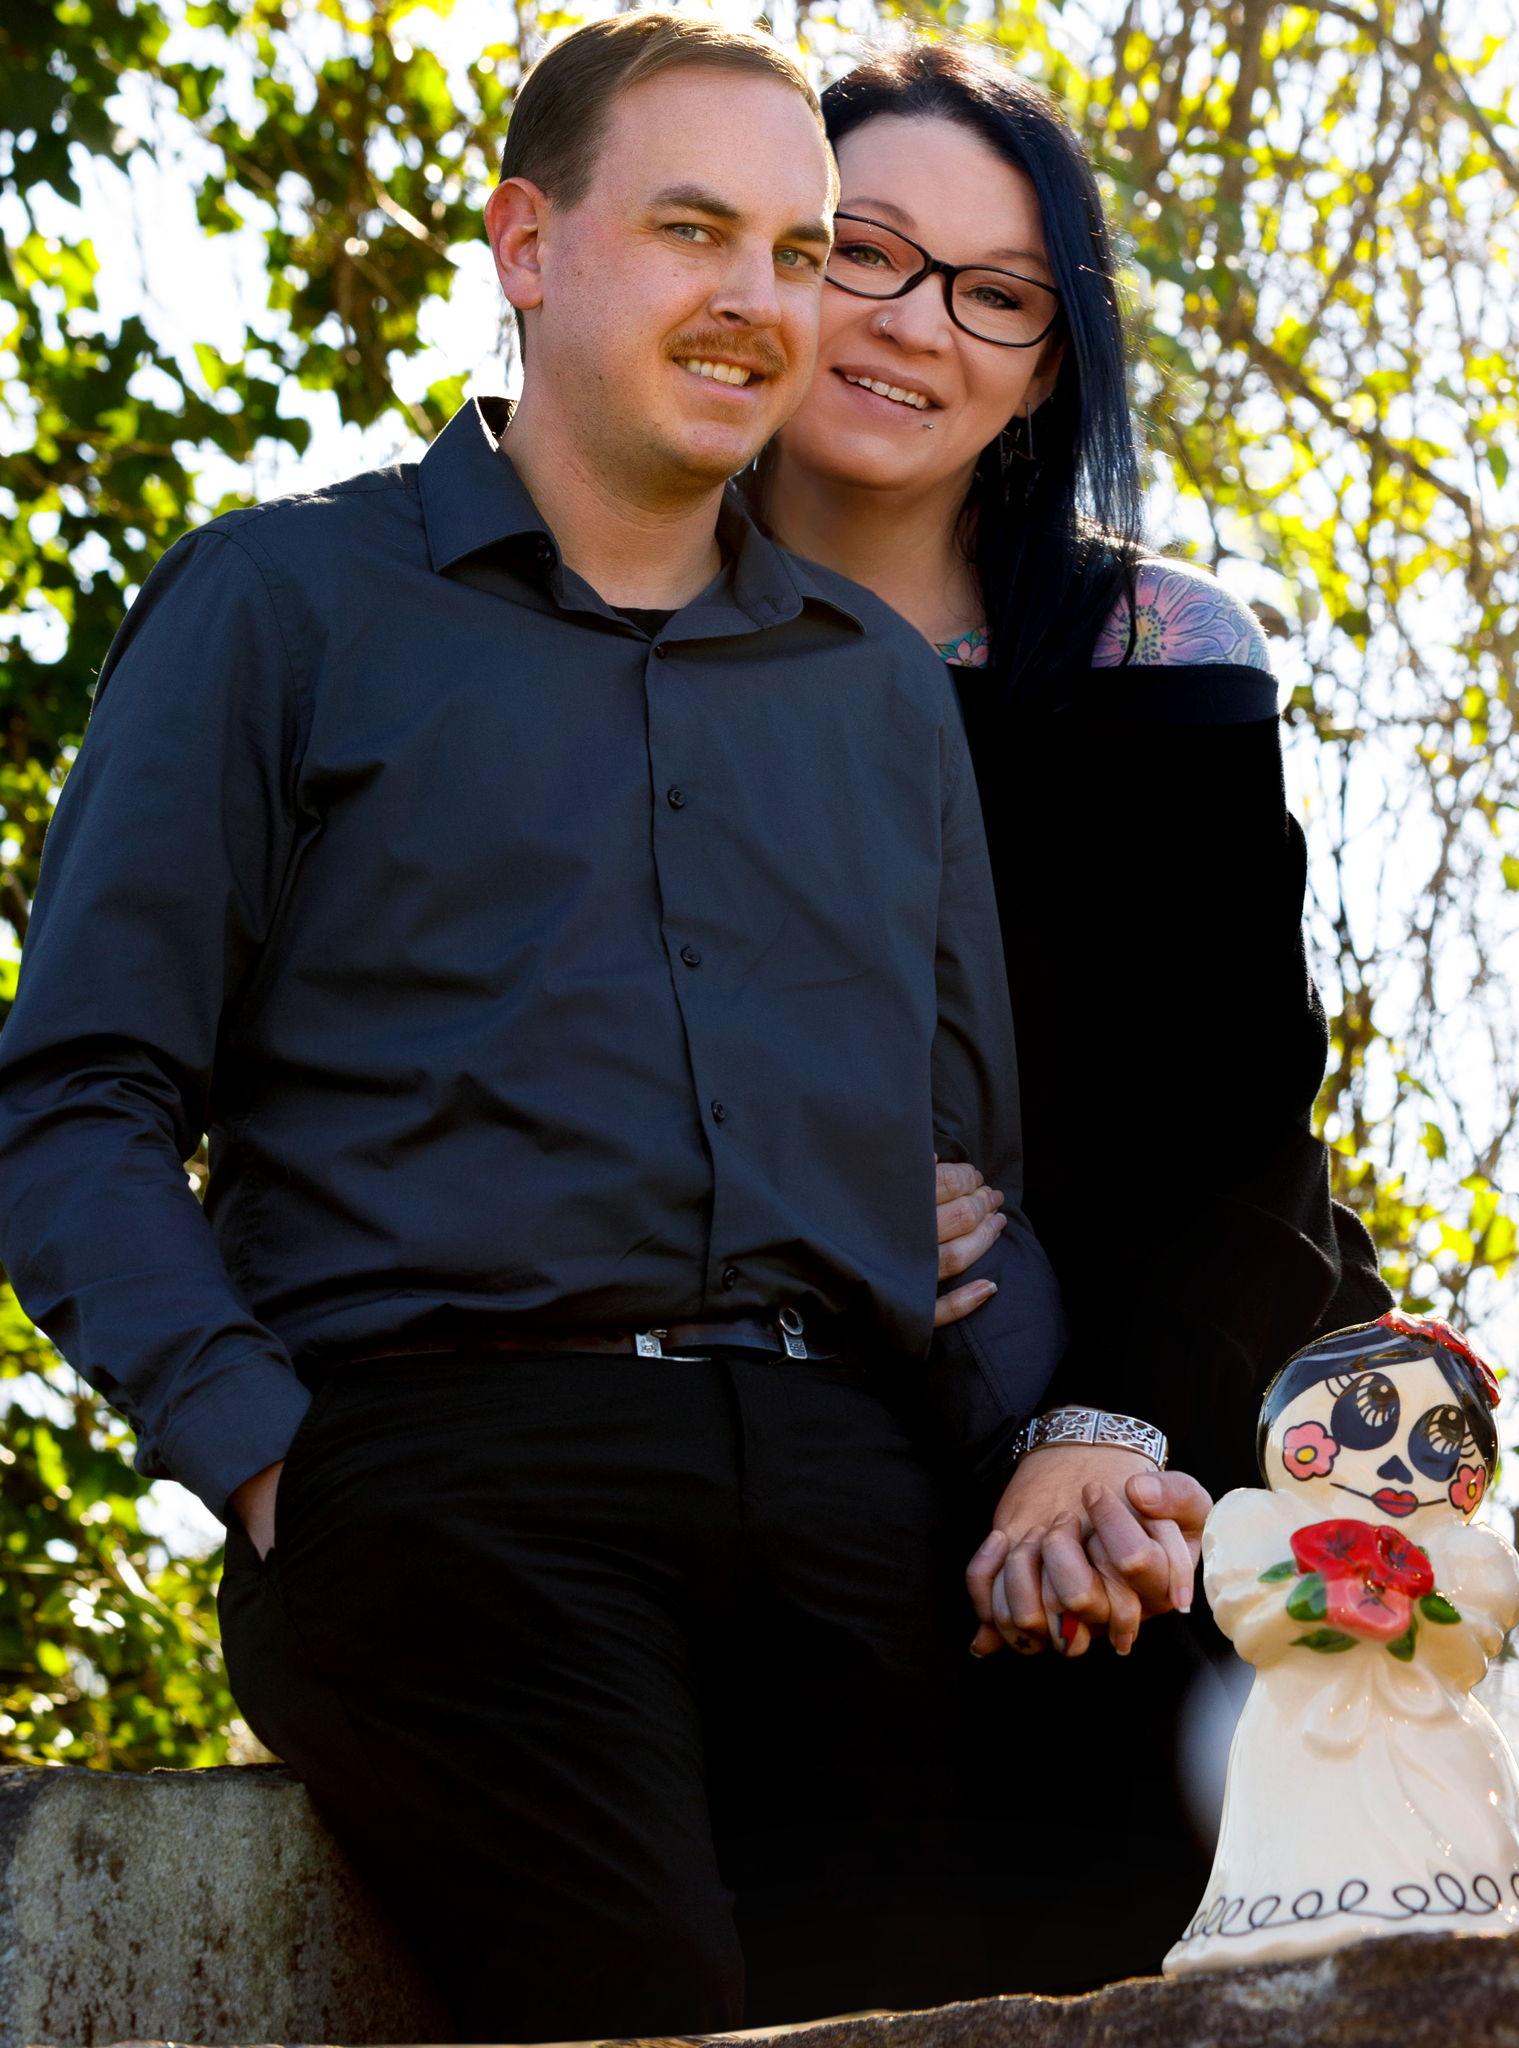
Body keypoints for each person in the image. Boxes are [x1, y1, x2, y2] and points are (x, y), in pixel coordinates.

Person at [0, 14, 1190, 2037]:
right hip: (446, 1478)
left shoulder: (872, 690)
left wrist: (1061, 1454)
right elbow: (76, 1098)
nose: (757, 301)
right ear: (529, 245)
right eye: (692, 231)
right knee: (654, 2005)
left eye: (799, 252)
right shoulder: (283, 607)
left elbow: (956, 1178)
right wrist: (268, 1460)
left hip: (847, 1489)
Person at [750, 37, 1396, 1986]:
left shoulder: (1161, 656)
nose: (912, 325)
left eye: (996, 293)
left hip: (1162, 1372)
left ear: (1047, 364)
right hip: (781, 1388)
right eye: (865, 252)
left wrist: (1098, 1433)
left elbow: (1232, 1115)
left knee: (1119, 1711)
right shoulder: (611, 653)